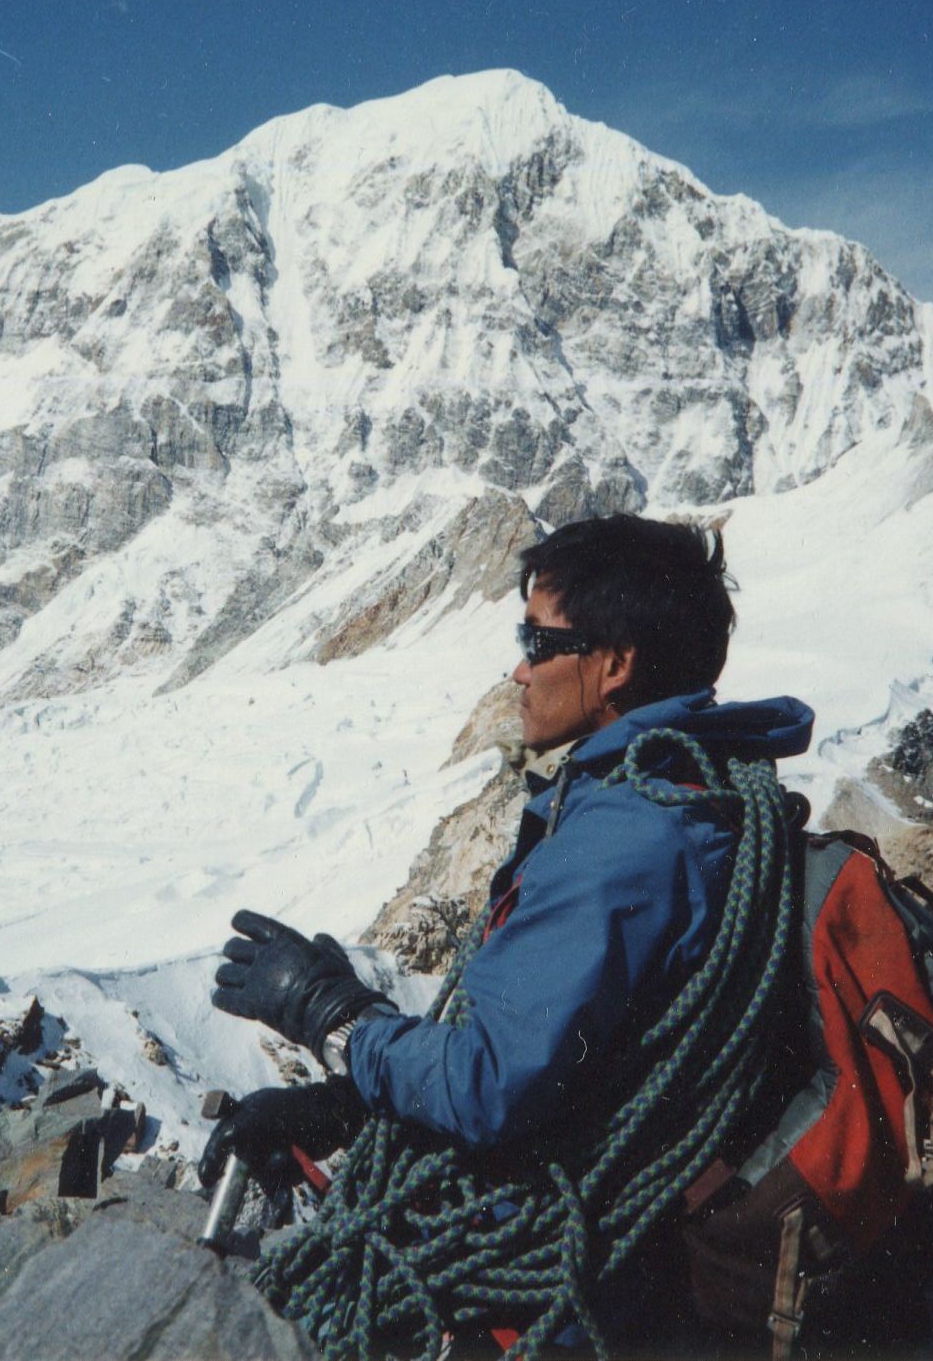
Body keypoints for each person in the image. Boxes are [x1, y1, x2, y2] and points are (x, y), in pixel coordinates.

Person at [203, 513, 815, 1354]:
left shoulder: (624, 840)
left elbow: (490, 1085)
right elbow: (582, 1058)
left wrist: (326, 1012)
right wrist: (349, 1099)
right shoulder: (698, 785)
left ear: (615, 663)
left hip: (581, 1278)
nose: (519, 669)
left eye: (539, 638)